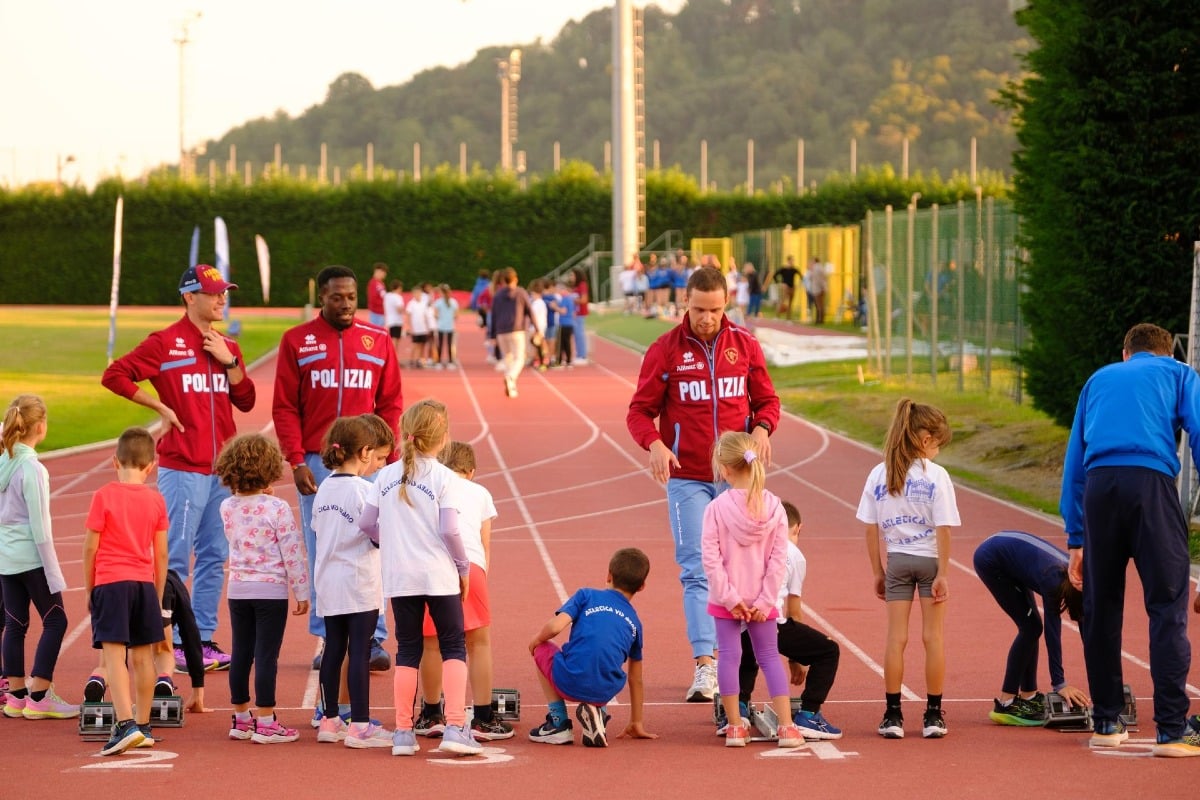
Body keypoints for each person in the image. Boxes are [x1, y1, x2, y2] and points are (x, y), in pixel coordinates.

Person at [626, 265, 780, 702]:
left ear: (726, 304)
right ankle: (705, 666)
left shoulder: (745, 345)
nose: (707, 318)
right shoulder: (665, 350)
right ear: (685, 304)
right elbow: (638, 411)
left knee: (746, 569)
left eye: (714, 310)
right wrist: (654, 443)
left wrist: (764, 429)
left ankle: (746, 660)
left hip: (738, 478)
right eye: (698, 309)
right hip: (687, 478)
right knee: (697, 569)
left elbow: (767, 400)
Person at [102, 264, 256, 670]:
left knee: (214, 556)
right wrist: (158, 405)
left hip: (222, 472)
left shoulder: (227, 345)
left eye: (225, 292)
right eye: (214, 293)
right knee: (173, 558)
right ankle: (164, 641)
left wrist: (231, 363)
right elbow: (114, 375)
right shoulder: (164, 343)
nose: (222, 298)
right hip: (183, 468)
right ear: (190, 297)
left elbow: (247, 400)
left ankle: (201, 640)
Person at [1061, 322, 1200, 756]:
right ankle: (1173, 731)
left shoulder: (1097, 379)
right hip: (1151, 485)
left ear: (1125, 354)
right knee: (1167, 607)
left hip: (1101, 489)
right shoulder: (1179, 373)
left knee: (1102, 608)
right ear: (1164, 353)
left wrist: (1076, 538)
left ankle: (1106, 721)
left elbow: (1075, 462)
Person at [272, 264, 402, 683]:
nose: (345, 305)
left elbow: (392, 402)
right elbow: (285, 406)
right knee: (322, 548)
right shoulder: (296, 341)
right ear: (321, 297)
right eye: (336, 297)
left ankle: (373, 639)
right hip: (317, 462)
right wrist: (294, 459)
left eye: (351, 297)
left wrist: (389, 456)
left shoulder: (378, 339)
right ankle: (329, 637)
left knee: (374, 548)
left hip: (369, 462)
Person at [359, 399, 482, 757]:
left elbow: (367, 523)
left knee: (408, 650)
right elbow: (450, 529)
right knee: (453, 647)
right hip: (439, 574)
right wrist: (463, 568)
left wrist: (388, 540)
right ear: (442, 438)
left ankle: (402, 732)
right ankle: (456, 725)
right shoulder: (445, 478)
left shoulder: (384, 475)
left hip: (400, 577)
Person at [858, 398, 959, 740]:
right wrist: (943, 572)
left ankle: (893, 714)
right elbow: (944, 527)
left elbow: (870, 527)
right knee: (933, 638)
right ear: (924, 439)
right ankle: (933, 714)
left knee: (895, 639)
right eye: (938, 445)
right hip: (930, 560)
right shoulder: (937, 477)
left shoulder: (879, 472)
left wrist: (877, 570)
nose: (939, 452)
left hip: (897, 560)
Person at [700, 431, 800, 749]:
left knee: (729, 657)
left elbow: (710, 559)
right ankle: (786, 727)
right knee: (770, 657)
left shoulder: (715, 509)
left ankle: (734, 728)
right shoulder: (775, 509)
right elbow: (778, 560)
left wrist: (730, 598)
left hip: (726, 599)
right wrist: (765, 599)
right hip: (762, 601)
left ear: (724, 468)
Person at [715, 501, 843, 741]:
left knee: (744, 648)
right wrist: (796, 658)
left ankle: (738, 710)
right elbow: (794, 611)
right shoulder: (794, 554)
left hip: (736, 614)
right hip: (769, 618)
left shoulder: (751, 542)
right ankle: (808, 714)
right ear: (798, 529)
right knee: (828, 650)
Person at [414, 441, 512, 741]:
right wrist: (480, 574)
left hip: (432, 566)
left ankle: (431, 714)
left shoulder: (429, 487)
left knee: (430, 643)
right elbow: (485, 542)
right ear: (470, 471)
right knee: (478, 642)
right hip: (471, 564)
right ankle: (483, 717)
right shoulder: (479, 492)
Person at [216, 433, 309, 745]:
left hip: (238, 589)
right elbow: (292, 551)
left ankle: (242, 718)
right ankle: (267, 721)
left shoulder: (227, 507)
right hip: (270, 592)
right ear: (269, 469)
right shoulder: (278, 508)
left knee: (241, 651)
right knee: (266, 655)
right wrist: (302, 591)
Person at [81, 426, 168, 755]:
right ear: (151, 466)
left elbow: (90, 547)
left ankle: (124, 723)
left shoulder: (103, 496)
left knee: (115, 656)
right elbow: (160, 553)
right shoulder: (156, 499)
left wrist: (91, 587)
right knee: (144, 657)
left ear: (115, 462)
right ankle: (143, 724)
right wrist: (156, 593)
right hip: (144, 584)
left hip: (110, 582)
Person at [311, 416, 393, 749]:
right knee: (359, 652)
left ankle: (330, 720)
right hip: (358, 582)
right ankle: (360, 724)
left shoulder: (324, 488)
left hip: (329, 581)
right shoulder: (365, 491)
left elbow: (318, 528)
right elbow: (378, 535)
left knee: (333, 648)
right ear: (363, 452)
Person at [527, 548, 656, 747]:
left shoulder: (586, 595)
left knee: (544, 648)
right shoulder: (635, 622)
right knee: (607, 660)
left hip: (569, 680)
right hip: (604, 690)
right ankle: (598, 715)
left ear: (608, 575)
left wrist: (536, 641)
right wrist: (636, 722)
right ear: (642, 586)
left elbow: (555, 627)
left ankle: (558, 723)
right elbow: (635, 679)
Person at [0, 394, 76, 720]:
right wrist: (54, 572)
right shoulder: (32, 469)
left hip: (6, 558)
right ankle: (40, 695)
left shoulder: (3, 461)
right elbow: (41, 527)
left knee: (15, 624)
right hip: (31, 558)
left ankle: (15, 696)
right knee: (57, 620)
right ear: (41, 427)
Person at [973, 530, 1088, 726]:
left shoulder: (1074, 575)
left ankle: (1028, 696)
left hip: (1011, 555)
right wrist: (1060, 684)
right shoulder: (1054, 582)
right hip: (991, 559)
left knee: (1032, 626)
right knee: (1031, 628)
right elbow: (1053, 635)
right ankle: (1006, 702)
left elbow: (1088, 630)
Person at [487, 267, 534, 398]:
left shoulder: (497, 295)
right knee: (520, 358)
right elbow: (530, 311)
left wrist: (492, 334)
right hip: (517, 330)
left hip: (501, 331)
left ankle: (512, 387)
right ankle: (511, 377)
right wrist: (538, 329)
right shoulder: (521, 292)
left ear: (503, 280)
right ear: (516, 279)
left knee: (508, 358)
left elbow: (494, 315)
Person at [432, 283, 460, 369]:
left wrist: (440, 317)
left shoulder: (438, 302)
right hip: (449, 326)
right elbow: (456, 315)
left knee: (440, 344)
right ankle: (450, 362)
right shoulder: (453, 302)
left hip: (441, 326)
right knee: (449, 344)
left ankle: (439, 362)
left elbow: (435, 314)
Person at [551, 281, 576, 368]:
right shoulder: (569, 299)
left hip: (564, 324)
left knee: (562, 343)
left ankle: (561, 360)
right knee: (566, 343)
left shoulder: (565, 299)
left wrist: (554, 307)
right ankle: (568, 360)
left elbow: (563, 311)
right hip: (569, 323)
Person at [571, 267, 590, 364]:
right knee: (576, 335)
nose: (571, 277)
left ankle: (582, 355)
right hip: (575, 313)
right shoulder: (576, 286)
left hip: (580, 313)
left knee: (579, 334)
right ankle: (579, 354)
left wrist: (572, 300)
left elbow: (584, 299)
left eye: (572, 275)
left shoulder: (582, 285)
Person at [383, 279, 406, 359]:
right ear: (399, 288)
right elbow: (399, 309)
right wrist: (404, 310)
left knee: (392, 338)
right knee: (396, 339)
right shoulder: (398, 297)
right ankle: (393, 357)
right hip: (397, 320)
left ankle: (390, 356)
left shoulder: (387, 296)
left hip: (389, 320)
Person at [366, 262, 388, 328]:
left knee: (379, 335)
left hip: (381, 313)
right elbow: (372, 299)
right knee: (375, 335)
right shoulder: (373, 283)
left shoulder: (381, 283)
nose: (385, 275)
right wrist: (384, 304)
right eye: (384, 272)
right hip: (376, 313)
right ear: (378, 271)